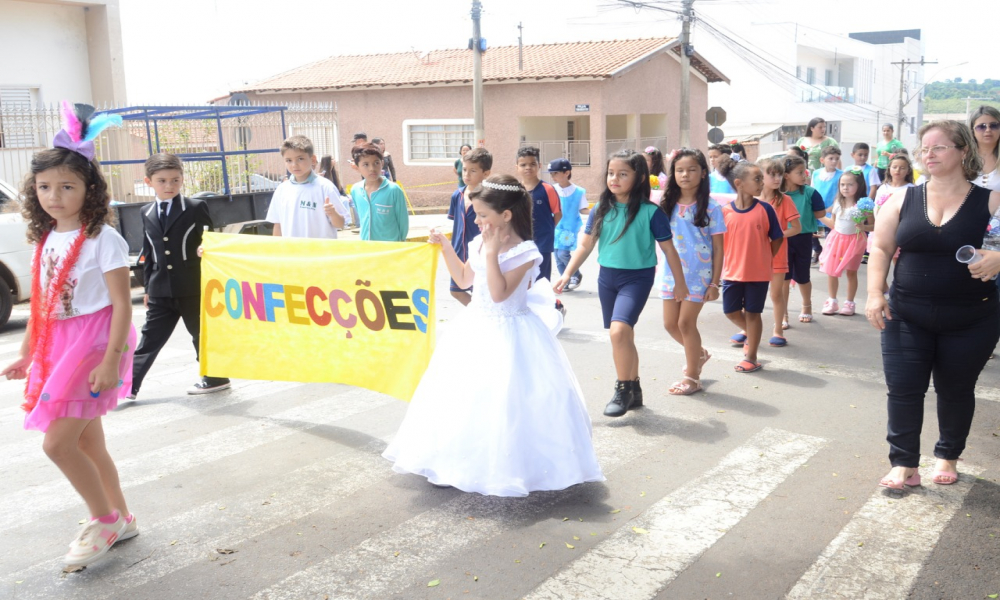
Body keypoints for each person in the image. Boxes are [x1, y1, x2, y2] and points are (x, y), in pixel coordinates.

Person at [382, 175, 604, 497]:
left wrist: (491, 252)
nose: (476, 220)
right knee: (462, 397)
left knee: (508, 402)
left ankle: (509, 467)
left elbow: (500, 294)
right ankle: (451, 463)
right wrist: (446, 246)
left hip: (512, 330)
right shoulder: (480, 241)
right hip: (475, 325)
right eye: (476, 213)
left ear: (506, 215)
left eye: (483, 214)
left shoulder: (526, 252)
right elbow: (463, 277)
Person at [1, 103, 138, 567]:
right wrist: (27, 353)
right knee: (87, 443)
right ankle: (122, 515)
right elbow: (42, 307)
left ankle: (102, 520)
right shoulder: (45, 241)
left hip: (97, 343)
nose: (54, 195)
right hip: (60, 345)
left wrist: (110, 360)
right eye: (44, 186)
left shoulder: (103, 238)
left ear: (89, 189)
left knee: (57, 444)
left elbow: (122, 303)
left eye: (67, 186)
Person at [868, 121, 1000, 490]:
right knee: (904, 388)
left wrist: (999, 259)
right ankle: (904, 463)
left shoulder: (991, 200)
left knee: (956, 389)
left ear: (962, 151)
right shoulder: (901, 198)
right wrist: (875, 293)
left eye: (939, 147)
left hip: (972, 318)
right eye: (924, 148)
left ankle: (947, 456)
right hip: (906, 313)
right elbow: (879, 247)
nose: (929, 154)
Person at [554, 150, 687, 417]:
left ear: (638, 179)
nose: (614, 178)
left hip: (637, 279)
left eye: (623, 174)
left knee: (617, 333)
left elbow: (670, 250)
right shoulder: (602, 208)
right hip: (608, 278)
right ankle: (635, 389)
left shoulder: (651, 212)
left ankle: (623, 388)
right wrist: (568, 272)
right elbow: (586, 244)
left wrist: (679, 284)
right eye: (611, 173)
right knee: (624, 335)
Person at [129, 153, 230, 399]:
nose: (169, 186)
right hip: (161, 290)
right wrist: (149, 289)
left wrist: (206, 250)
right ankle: (128, 386)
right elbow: (149, 251)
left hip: (193, 287)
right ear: (149, 181)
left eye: (175, 180)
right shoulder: (146, 211)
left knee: (200, 334)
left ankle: (216, 378)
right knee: (149, 339)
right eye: (162, 181)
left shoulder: (195, 207)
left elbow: (209, 239)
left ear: (182, 179)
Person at [658, 149, 725, 395]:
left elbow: (718, 247)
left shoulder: (712, 208)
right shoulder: (664, 205)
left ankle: (692, 377)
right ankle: (699, 354)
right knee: (669, 324)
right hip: (670, 274)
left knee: (686, 323)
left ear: (704, 173)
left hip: (699, 276)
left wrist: (715, 284)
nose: (685, 174)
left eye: (692, 169)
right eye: (679, 170)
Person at [717, 157, 784, 373]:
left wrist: (763, 258)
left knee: (754, 313)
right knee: (731, 311)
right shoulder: (724, 212)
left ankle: (752, 356)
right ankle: (752, 334)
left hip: (758, 273)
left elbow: (777, 239)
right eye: (756, 179)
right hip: (731, 273)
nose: (761, 183)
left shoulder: (765, 209)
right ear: (739, 183)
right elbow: (718, 244)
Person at [266, 135, 349, 239]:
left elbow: (341, 224)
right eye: (288, 160)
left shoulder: (325, 187)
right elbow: (277, 225)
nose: (294, 165)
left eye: (300, 159)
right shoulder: (282, 190)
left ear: (313, 159)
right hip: (291, 253)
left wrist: (333, 213)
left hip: (320, 253)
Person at [756, 157, 800, 347]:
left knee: (775, 294)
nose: (776, 178)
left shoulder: (785, 200)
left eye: (779, 174)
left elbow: (796, 228)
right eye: (771, 174)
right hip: (754, 255)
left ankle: (778, 330)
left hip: (778, 253)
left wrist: (778, 235)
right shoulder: (752, 199)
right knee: (752, 294)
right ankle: (746, 328)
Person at [818, 168, 871, 316]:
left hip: (854, 242)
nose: (845, 188)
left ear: (859, 186)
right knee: (832, 272)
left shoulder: (863, 205)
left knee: (851, 273)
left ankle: (849, 303)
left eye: (849, 184)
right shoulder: (837, 203)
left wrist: (864, 226)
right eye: (842, 184)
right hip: (836, 240)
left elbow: (874, 225)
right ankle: (832, 301)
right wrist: (820, 216)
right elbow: (834, 224)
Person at [781, 155, 826, 324]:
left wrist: (807, 216)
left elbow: (820, 212)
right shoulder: (778, 194)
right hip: (783, 239)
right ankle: (783, 313)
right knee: (784, 278)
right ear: (786, 175)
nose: (804, 175)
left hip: (804, 238)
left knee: (803, 276)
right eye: (800, 172)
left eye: (805, 171)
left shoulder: (810, 192)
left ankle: (806, 305)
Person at [447, 148, 491, 306]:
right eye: (464, 170)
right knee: (456, 290)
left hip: (481, 251)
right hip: (459, 250)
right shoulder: (457, 195)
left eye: (473, 171)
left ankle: (485, 316)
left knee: (480, 291)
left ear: (486, 173)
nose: (467, 174)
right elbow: (456, 224)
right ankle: (481, 314)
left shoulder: (489, 197)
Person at [516, 146, 561, 280]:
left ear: (539, 165)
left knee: (541, 281)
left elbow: (558, 214)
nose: (528, 167)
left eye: (532, 164)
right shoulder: (515, 190)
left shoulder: (548, 189)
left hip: (542, 243)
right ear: (517, 167)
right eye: (523, 165)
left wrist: (547, 230)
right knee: (523, 280)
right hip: (520, 242)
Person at [349, 143, 410, 241]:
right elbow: (362, 218)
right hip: (367, 248)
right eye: (366, 164)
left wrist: (399, 245)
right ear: (357, 167)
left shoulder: (393, 190)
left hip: (391, 249)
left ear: (382, 163)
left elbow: (403, 223)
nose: (372, 168)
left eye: (376, 163)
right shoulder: (355, 190)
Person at [549, 157, 590, 291]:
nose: (553, 176)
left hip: (569, 228)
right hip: (555, 226)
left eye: (556, 173)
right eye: (552, 173)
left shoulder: (578, 191)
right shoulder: (551, 190)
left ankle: (575, 274)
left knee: (562, 254)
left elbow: (583, 209)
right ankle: (564, 281)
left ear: (566, 173)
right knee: (557, 256)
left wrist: (597, 212)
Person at [811, 145, 843, 263]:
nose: (834, 161)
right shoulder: (816, 173)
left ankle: (829, 256)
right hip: (817, 208)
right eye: (831, 158)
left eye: (836, 158)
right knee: (810, 232)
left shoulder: (841, 175)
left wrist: (832, 208)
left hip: (832, 209)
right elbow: (812, 190)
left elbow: (841, 193)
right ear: (822, 160)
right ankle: (817, 249)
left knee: (830, 234)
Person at [318, 154, 356, 227]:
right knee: (344, 200)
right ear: (327, 161)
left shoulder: (334, 172)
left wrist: (346, 196)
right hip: (330, 197)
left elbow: (340, 188)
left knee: (352, 199)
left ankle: (358, 223)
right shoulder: (323, 174)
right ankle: (346, 223)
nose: (334, 160)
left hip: (338, 195)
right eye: (332, 159)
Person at [970, 106, 1000, 192]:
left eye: (994, 126)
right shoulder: (962, 159)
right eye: (981, 127)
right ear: (972, 131)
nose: (988, 130)